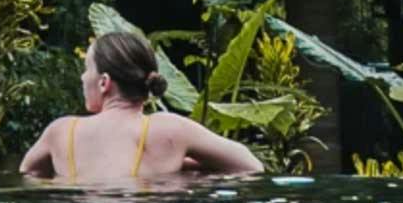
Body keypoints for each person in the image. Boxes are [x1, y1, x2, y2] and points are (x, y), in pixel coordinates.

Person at [20, 29, 263, 184]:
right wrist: (185, 167)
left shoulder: (61, 131)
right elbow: (251, 166)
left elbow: (28, 174)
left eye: (86, 69)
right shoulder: (169, 130)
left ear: (104, 82)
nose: (83, 78)